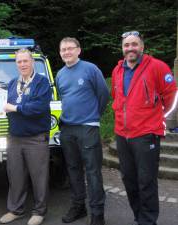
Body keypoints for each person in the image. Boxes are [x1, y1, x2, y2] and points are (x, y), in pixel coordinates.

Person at [111, 31, 177, 225]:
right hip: (122, 135)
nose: (130, 48)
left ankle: (148, 221)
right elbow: (118, 99)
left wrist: (160, 121)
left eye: (134, 44)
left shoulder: (157, 67)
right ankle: (139, 217)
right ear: (122, 48)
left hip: (146, 135)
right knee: (129, 181)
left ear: (142, 46)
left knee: (146, 182)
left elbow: (172, 97)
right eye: (126, 45)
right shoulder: (118, 70)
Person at [56, 37, 109, 225]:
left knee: (93, 172)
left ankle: (97, 215)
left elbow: (104, 94)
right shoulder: (60, 74)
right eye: (63, 49)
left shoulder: (90, 69)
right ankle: (79, 207)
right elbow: (64, 99)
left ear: (79, 50)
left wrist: (93, 116)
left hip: (88, 127)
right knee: (73, 170)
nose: (67, 52)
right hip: (68, 129)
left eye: (70, 48)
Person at [0, 48, 52, 225]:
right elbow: (3, 106)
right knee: (15, 175)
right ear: (16, 64)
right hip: (14, 138)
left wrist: (15, 108)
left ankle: (39, 211)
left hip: (35, 138)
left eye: (25, 61)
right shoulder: (13, 83)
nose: (22, 64)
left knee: (39, 176)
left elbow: (38, 108)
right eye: (19, 62)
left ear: (32, 62)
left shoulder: (42, 82)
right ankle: (16, 210)